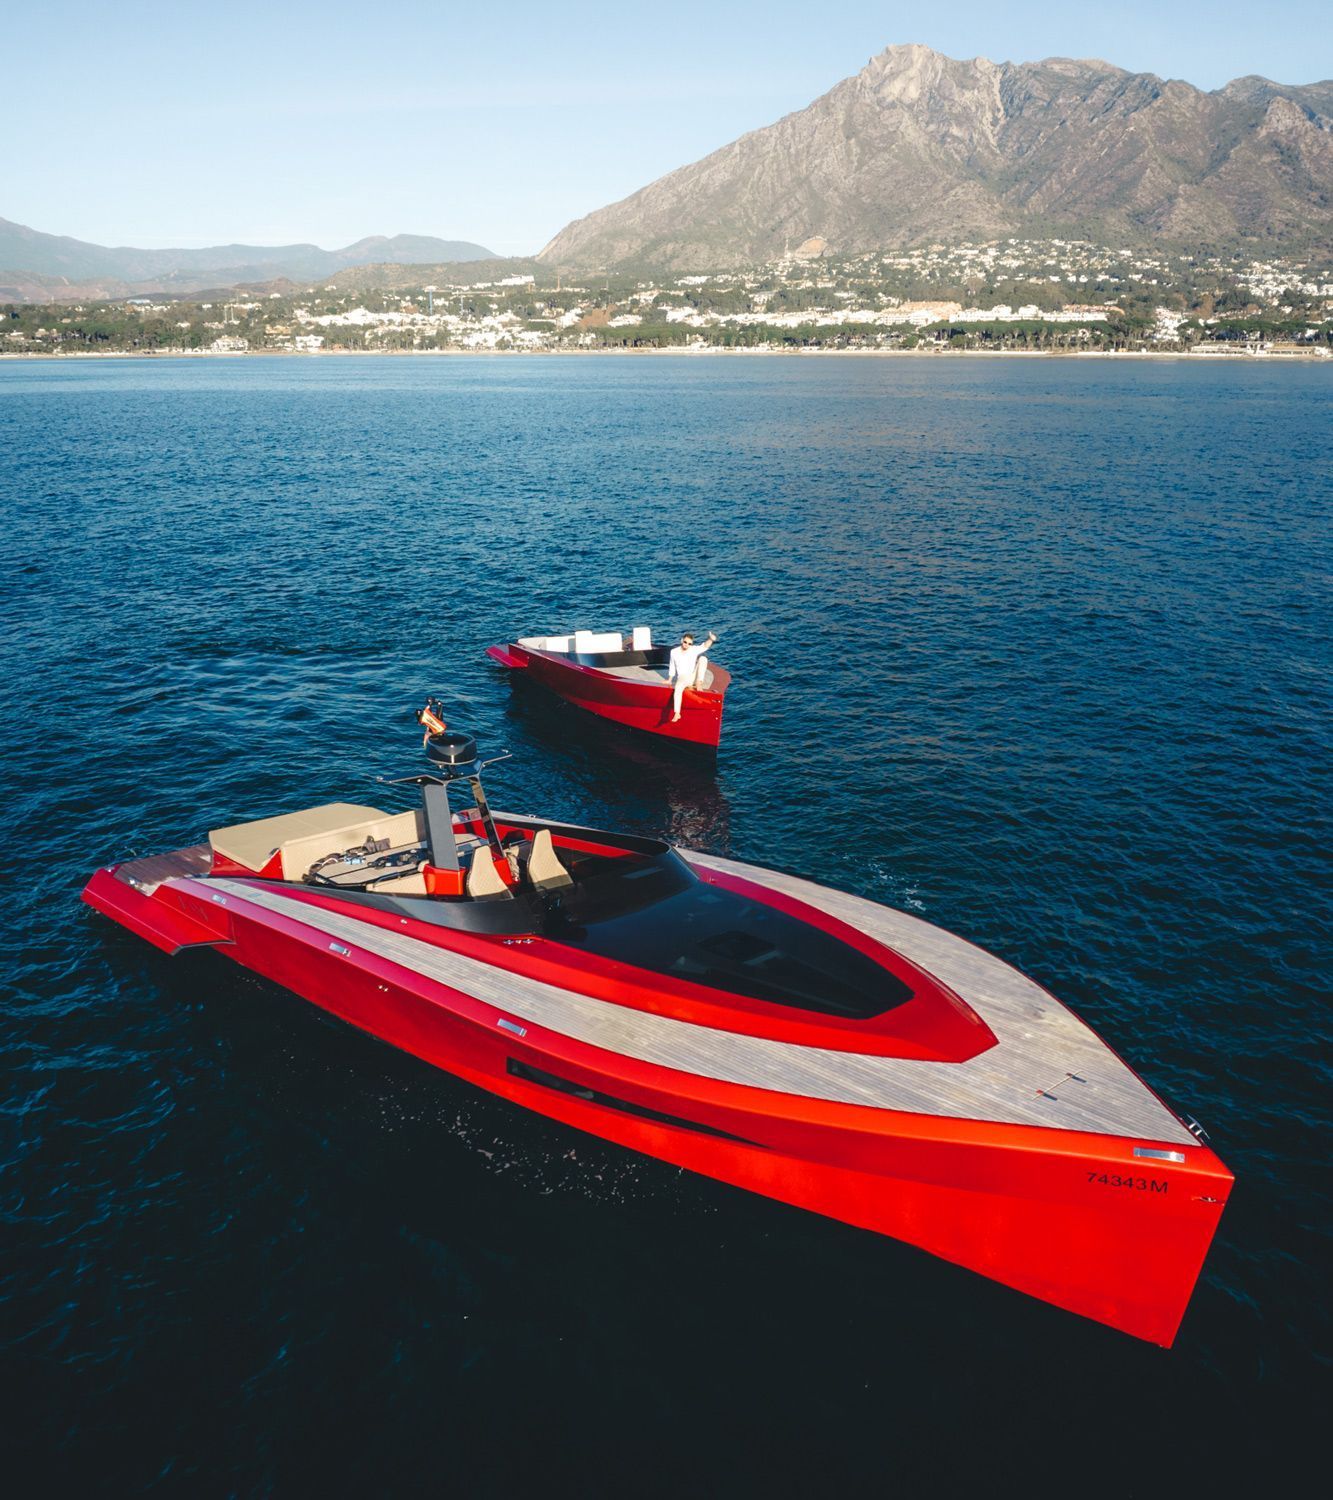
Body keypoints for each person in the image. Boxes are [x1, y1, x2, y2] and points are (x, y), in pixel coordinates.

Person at [668, 629, 717, 721]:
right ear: (682, 640)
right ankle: (677, 713)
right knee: (678, 688)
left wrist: (711, 639)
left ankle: (699, 682)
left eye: (689, 643)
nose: (686, 645)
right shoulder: (674, 652)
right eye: (685, 642)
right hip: (682, 677)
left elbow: (704, 646)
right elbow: (672, 666)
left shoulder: (693, 650)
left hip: (692, 676)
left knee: (703, 658)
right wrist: (670, 680)